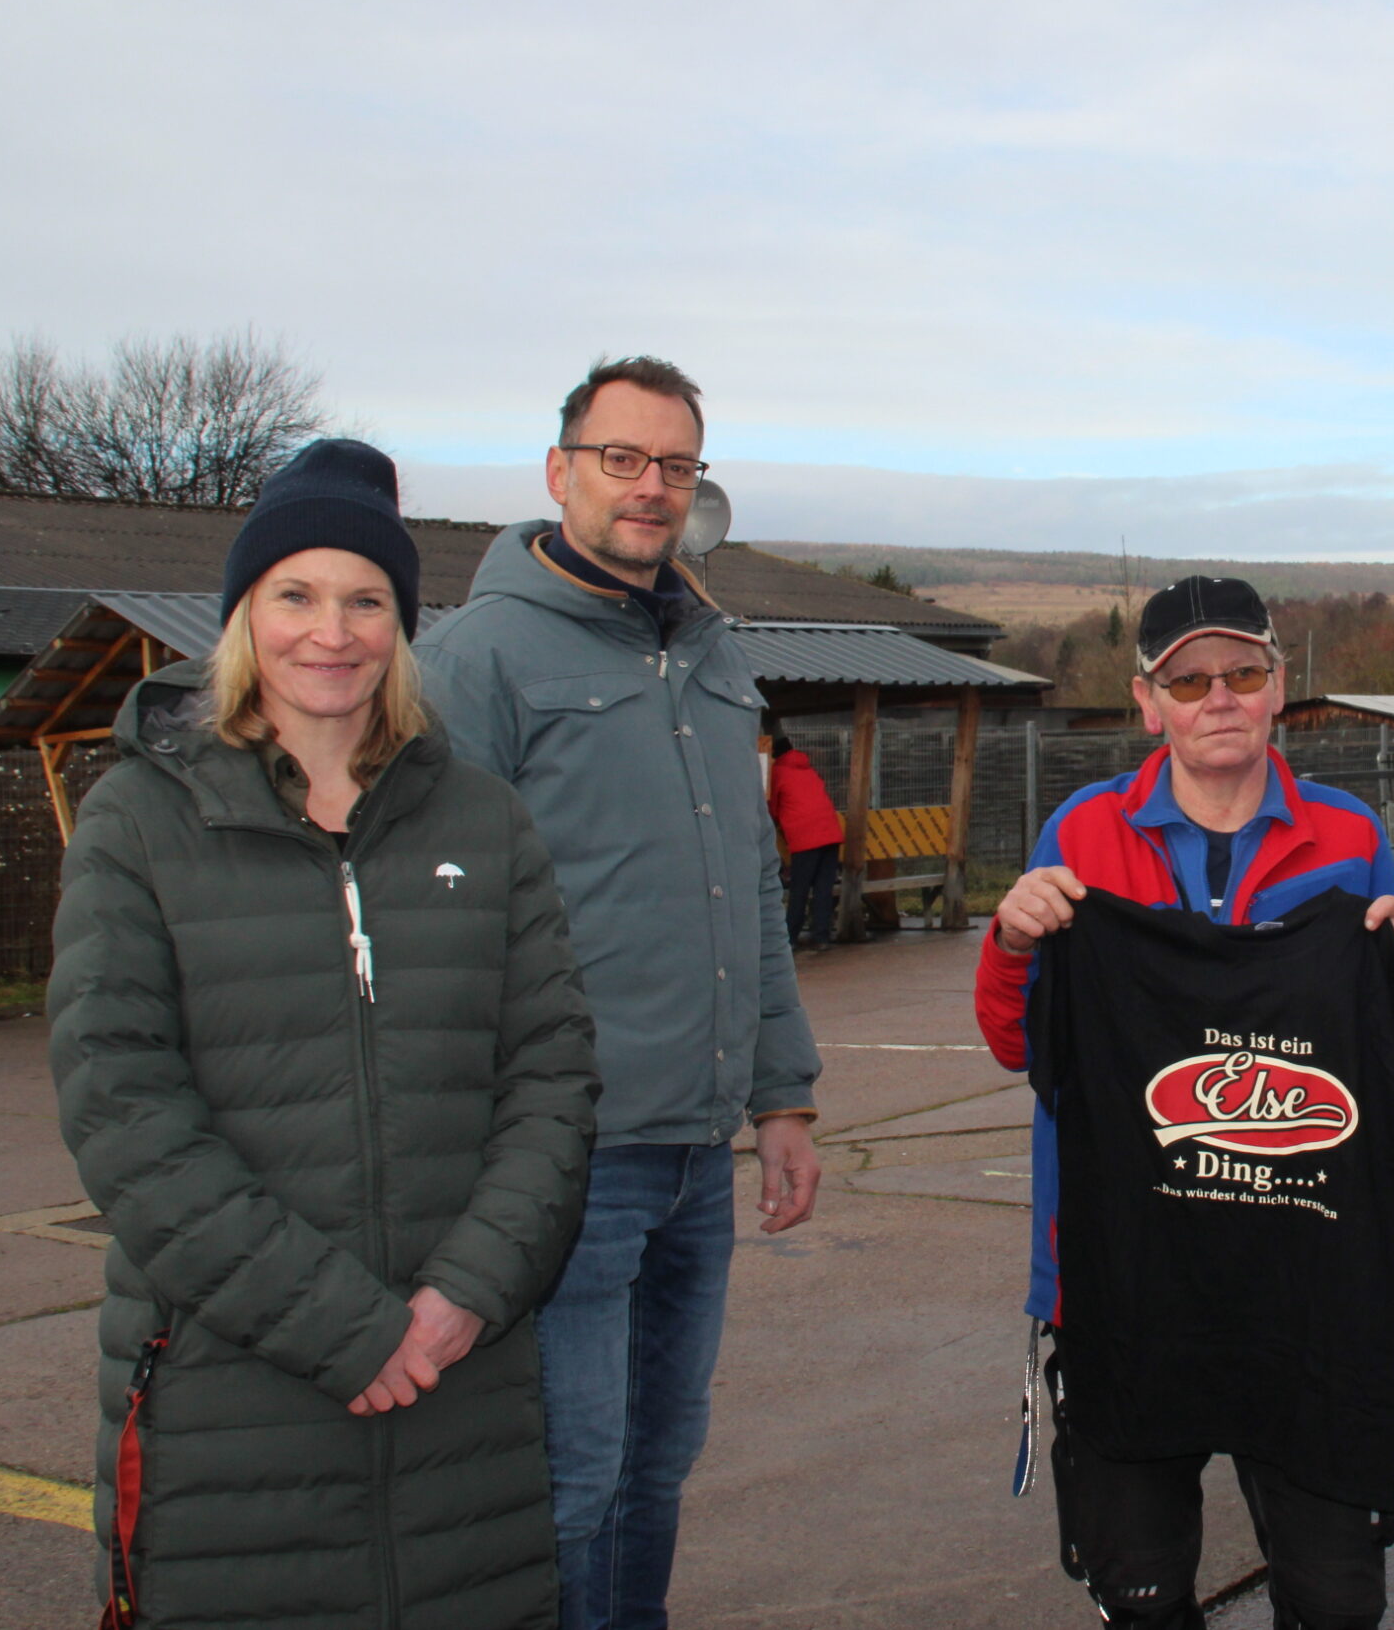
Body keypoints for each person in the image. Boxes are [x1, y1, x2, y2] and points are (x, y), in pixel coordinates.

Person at [47, 439, 600, 1630]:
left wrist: (465, 1293)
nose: (331, 631)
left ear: (401, 627)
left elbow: (551, 1076)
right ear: (246, 614)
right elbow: (123, 1110)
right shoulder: (139, 821)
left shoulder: (484, 820)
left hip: (464, 1385)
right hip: (232, 1395)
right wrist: (346, 1329)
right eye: (295, 594)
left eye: (366, 601)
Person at [417, 357, 822, 1630]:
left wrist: (782, 1093)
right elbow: (434, 915)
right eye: (622, 460)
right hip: (564, 1159)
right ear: (560, 473)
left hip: (698, 1150)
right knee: (571, 1477)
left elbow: (749, 886)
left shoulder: (709, 653)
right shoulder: (473, 660)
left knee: (658, 1468)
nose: (650, 489)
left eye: (677, 466)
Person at [977, 576, 1394, 1630]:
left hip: (1306, 1285)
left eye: (1241, 673)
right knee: (1140, 1592)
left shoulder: (1347, 834)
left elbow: (1392, 1073)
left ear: (1280, 686)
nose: (1217, 698)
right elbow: (1022, 1044)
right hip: (1122, 1280)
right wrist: (1012, 941)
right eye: (1188, 681)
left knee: (1334, 1598)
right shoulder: (1082, 834)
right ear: (1149, 702)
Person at [767, 732, 843, 949]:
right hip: (830, 834)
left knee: (799, 889)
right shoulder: (808, 769)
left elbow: (772, 809)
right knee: (823, 888)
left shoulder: (777, 773)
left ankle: (790, 937)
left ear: (772, 753)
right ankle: (821, 937)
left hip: (806, 838)